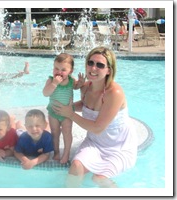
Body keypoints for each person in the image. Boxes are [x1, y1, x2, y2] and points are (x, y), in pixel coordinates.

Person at [52, 46, 137, 188]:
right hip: (95, 142)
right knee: (76, 166)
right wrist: (65, 107)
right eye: (90, 63)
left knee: (99, 178)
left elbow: (97, 127)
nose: (93, 68)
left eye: (100, 65)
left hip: (118, 146)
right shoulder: (86, 87)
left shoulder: (114, 93)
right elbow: (85, 105)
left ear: (109, 70)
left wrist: (70, 114)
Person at [42, 53, 85, 164]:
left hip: (67, 113)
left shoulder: (71, 80)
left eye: (63, 70)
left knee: (67, 132)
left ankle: (66, 154)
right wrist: (54, 84)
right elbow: (45, 93)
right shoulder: (51, 80)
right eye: (56, 68)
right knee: (55, 133)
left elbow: (76, 87)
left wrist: (80, 83)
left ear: (70, 71)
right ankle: (56, 152)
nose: (59, 72)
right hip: (53, 112)